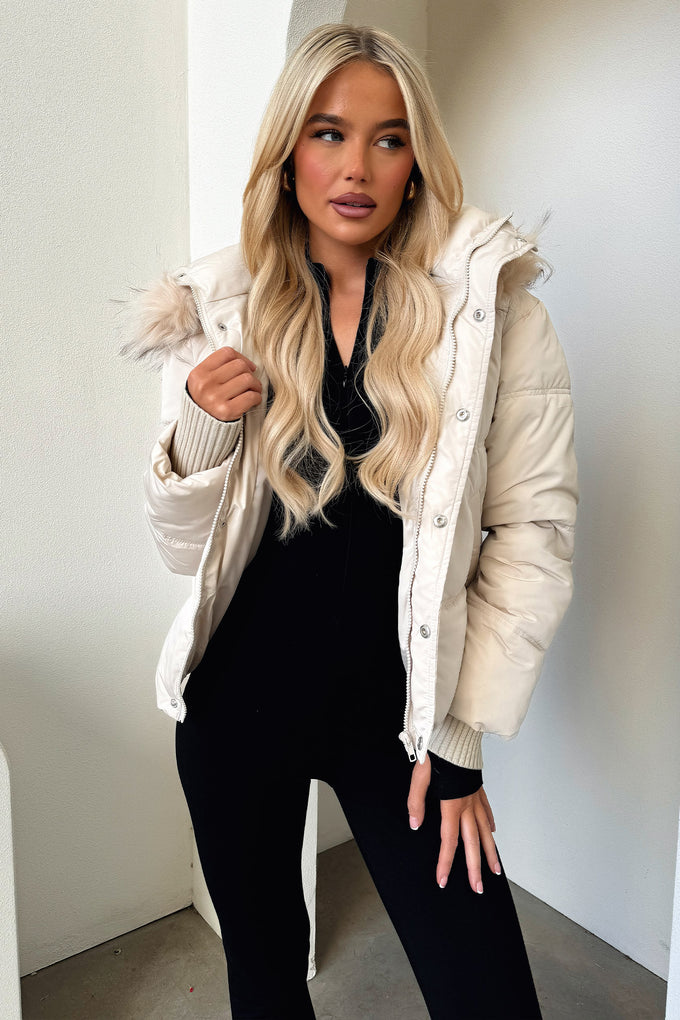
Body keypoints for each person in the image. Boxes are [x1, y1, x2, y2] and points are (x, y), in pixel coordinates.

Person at [124, 23, 577, 1020]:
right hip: (237, 708)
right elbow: (183, 552)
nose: (357, 168)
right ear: (288, 151)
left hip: (404, 724)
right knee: (265, 983)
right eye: (329, 133)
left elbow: (531, 532)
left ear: (416, 161)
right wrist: (199, 432)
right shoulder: (217, 310)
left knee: (489, 997)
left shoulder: (491, 316)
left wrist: (457, 737)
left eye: (388, 138)